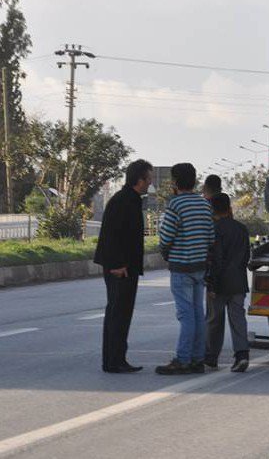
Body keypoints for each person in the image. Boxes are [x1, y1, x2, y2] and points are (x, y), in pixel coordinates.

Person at [94, 159, 153, 373]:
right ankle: (113, 361)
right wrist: (118, 264)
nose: (150, 183)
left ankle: (116, 358)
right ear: (140, 179)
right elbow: (111, 235)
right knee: (118, 313)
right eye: (149, 178)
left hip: (125, 266)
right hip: (120, 268)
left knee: (120, 313)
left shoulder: (131, 199)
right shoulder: (123, 201)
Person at [156, 163, 215, 375]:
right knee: (198, 313)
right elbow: (210, 238)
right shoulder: (204, 205)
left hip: (181, 267)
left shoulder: (175, 205)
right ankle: (198, 359)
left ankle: (182, 359)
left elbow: (166, 237)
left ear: (174, 182)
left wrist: (165, 251)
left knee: (185, 315)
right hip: (200, 267)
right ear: (194, 181)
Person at [204, 193, 251, 372]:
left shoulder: (214, 229)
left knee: (214, 320)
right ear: (229, 208)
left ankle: (211, 357)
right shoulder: (241, 228)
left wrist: (212, 284)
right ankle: (242, 355)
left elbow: (216, 259)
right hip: (238, 281)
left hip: (220, 282)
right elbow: (246, 255)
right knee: (238, 318)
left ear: (212, 210)